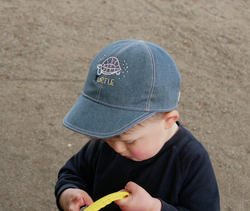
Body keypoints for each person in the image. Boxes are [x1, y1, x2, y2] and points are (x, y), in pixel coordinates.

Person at [55, 39, 220, 211]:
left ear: (168, 120)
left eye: (130, 141)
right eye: (107, 136)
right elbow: (72, 172)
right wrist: (69, 194)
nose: (116, 147)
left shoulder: (191, 160)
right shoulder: (105, 143)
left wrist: (153, 208)